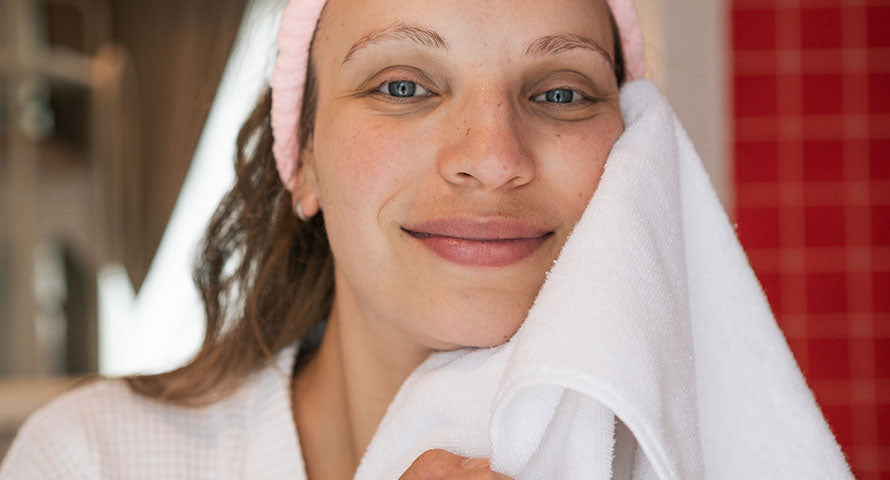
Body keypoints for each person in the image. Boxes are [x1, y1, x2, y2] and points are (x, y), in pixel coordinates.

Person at [1, 0, 852, 478]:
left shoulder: (695, 463)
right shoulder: (93, 461)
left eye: (560, 94)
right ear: (302, 162)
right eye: (403, 84)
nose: (491, 157)